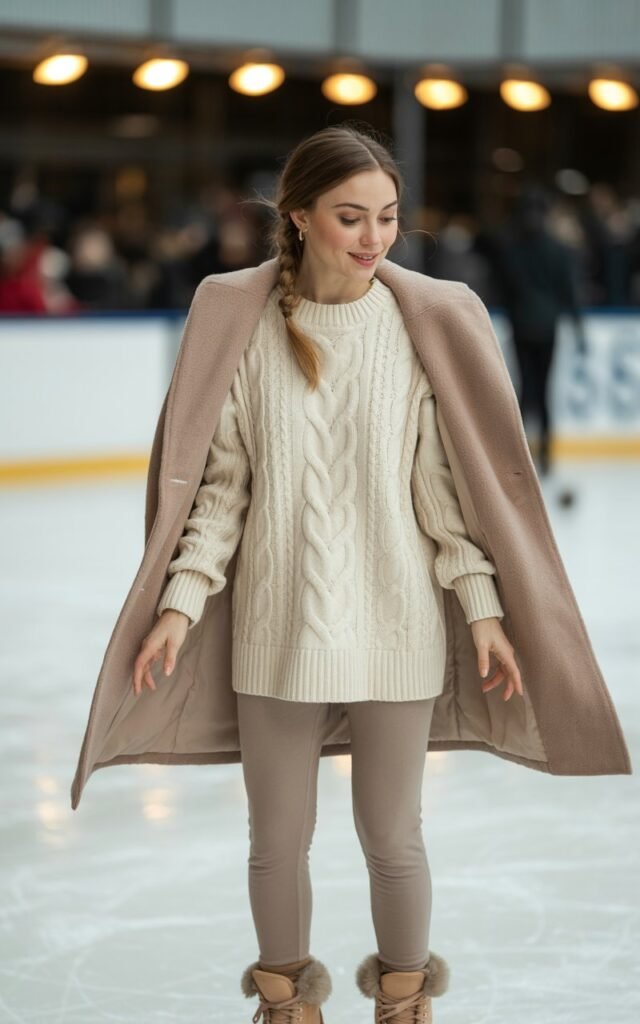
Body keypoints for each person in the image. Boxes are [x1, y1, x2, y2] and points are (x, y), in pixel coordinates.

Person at [131, 125, 524, 1024]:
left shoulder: (414, 330)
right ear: (299, 216)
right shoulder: (248, 331)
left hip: (396, 620)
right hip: (280, 622)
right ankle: (286, 1006)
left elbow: (442, 496)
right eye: (351, 216)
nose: (374, 237)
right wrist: (179, 606)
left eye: (388, 217)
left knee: (393, 837)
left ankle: (404, 1002)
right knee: (276, 841)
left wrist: (484, 609)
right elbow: (221, 495)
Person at [490, 184, 588, 476]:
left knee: (526, 391)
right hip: (542, 327)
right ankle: (541, 455)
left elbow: (503, 290)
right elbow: (568, 291)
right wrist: (578, 326)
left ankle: (522, 455)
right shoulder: (555, 249)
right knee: (539, 391)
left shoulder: (513, 248)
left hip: (525, 325)